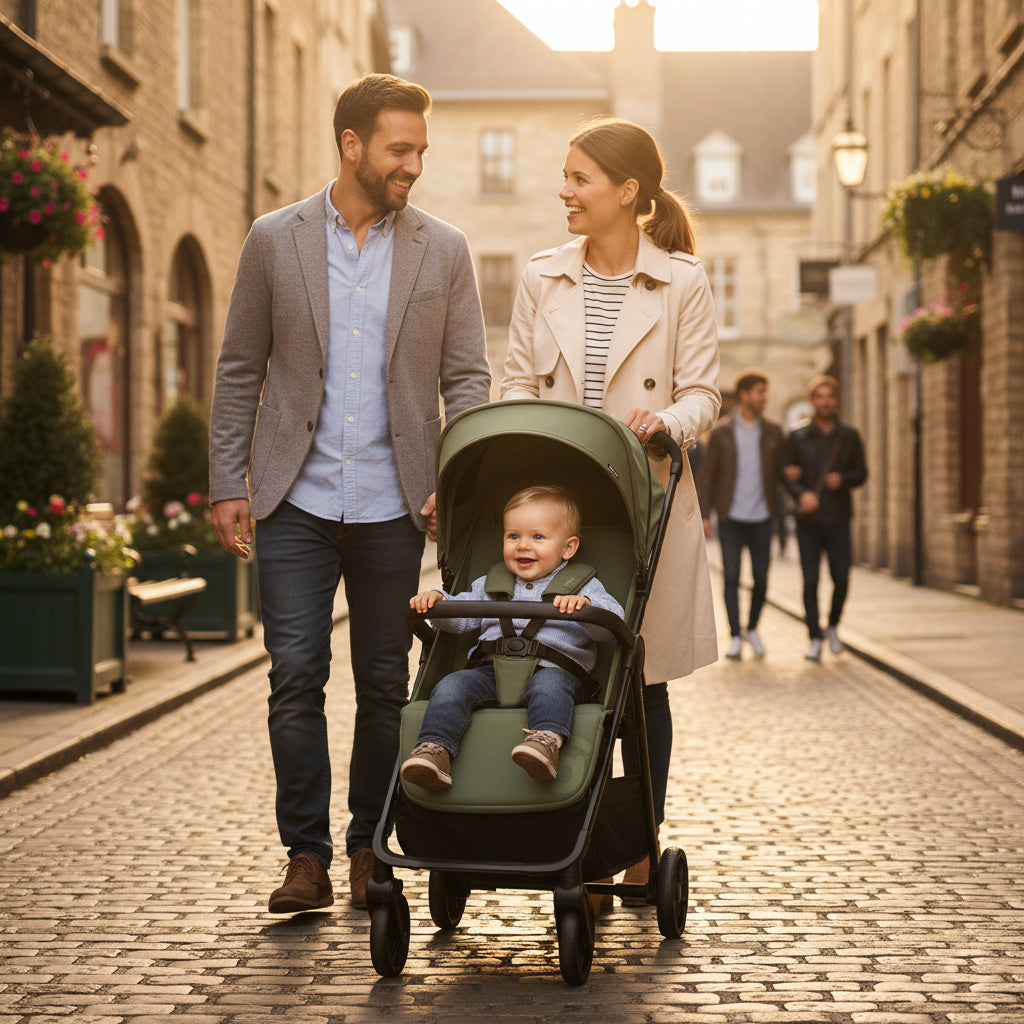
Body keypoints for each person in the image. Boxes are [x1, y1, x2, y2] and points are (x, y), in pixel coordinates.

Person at [208, 73, 491, 914]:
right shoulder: (275, 238)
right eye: (399, 149)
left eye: (420, 152)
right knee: (294, 675)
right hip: (293, 499)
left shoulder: (445, 249)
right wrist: (229, 482)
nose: (412, 166)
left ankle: (369, 847)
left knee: (382, 682)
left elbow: (467, 379)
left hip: (393, 506)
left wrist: (456, 483)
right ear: (352, 145)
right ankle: (306, 857)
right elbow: (238, 370)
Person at [500, 117, 721, 904]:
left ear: (628, 192)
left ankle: (640, 839)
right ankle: (578, 840)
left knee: (641, 681)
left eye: (580, 178)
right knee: (564, 666)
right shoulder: (542, 275)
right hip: (559, 503)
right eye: (565, 176)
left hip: (644, 500)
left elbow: (703, 389)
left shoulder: (681, 281)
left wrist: (670, 422)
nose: (565, 190)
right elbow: (517, 382)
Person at [400, 485, 624, 789]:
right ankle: (434, 749)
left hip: (555, 670)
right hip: (490, 670)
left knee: (550, 688)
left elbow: (613, 622)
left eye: (538, 537)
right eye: (513, 536)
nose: (523, 546)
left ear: (568, 548)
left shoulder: (583, 585)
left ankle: (545, 742)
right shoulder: (491, 582)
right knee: (452, 685)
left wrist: (586, 608)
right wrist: (438, 602)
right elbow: (461, 617)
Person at [697, 368, 785, 659]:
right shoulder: (722, 432)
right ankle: (735, 635)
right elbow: (708, 476)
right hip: (731, 518)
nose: (765, 398)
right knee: (732, 576)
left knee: (761, 577)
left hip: (762, 517)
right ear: (745, 395)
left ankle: (754, 628)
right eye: (760, 392)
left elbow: (782, 474)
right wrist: (707, 515)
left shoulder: (773, 431)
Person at [780, 374, 868, 662]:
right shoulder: (797, 435)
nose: (825, 402)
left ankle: (832, 626)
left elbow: (862, 473)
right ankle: (814, 638)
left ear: (836, 399)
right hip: (809, 520)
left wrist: (842, 480)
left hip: (839, 516)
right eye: (819, 397)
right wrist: (800, 492)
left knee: (841, 578)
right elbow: (785, 473)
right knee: (810, 581)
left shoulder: (850, 435)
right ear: (811, 401)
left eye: (830, 396)